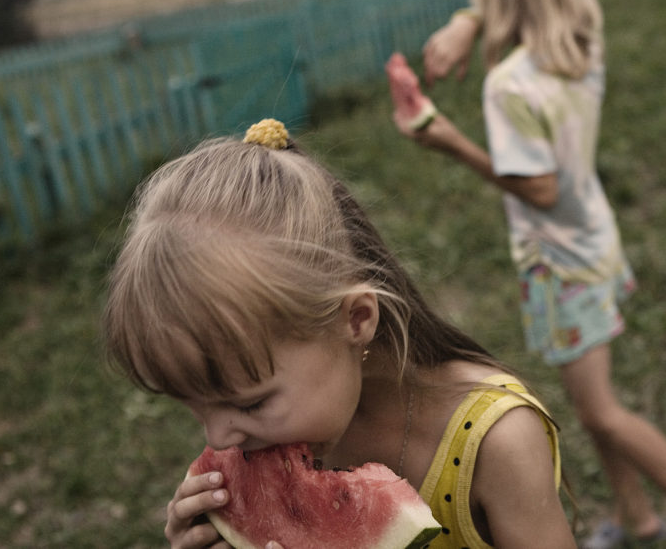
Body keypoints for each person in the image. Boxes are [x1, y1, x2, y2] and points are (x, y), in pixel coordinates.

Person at [396, 0, 666, 549]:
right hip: (594, 240)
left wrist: (447, 140)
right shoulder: (580, 43)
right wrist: (469, 22)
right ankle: (638, 519)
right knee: (596, 407)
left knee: (600, 412)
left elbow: (538, 188)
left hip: (560, 263)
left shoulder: (510, 84)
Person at [102, 117, 578, 549]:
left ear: (355, 320)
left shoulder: (498, 442)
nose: (219, 437)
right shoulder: (290, 428)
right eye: (194, 406)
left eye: (250, 404)